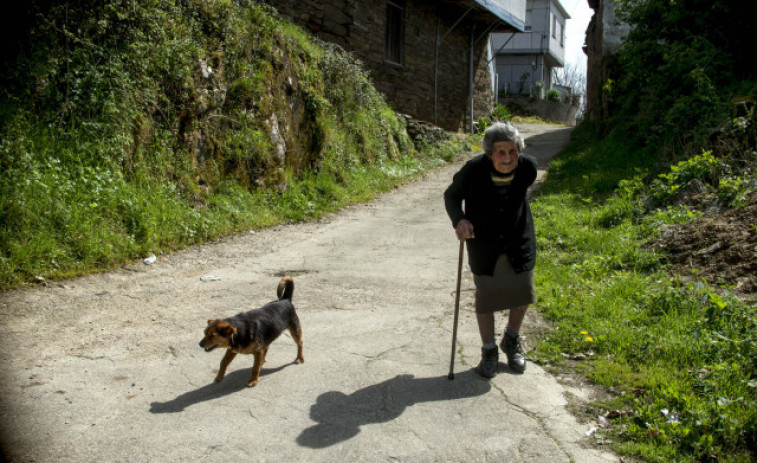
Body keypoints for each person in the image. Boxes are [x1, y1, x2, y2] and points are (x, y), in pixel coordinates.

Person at [444, 121, 537, 378]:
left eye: (513, 151)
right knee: (487, 295)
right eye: (500, 152)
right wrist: (460, 220)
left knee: (522, 291)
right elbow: (451, 196)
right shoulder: (473, 170)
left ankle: (511, 339)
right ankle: (489, 350)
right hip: (484, 241)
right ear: (489, 153)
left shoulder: (528, 168)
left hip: (519, 239)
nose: (508, 158)